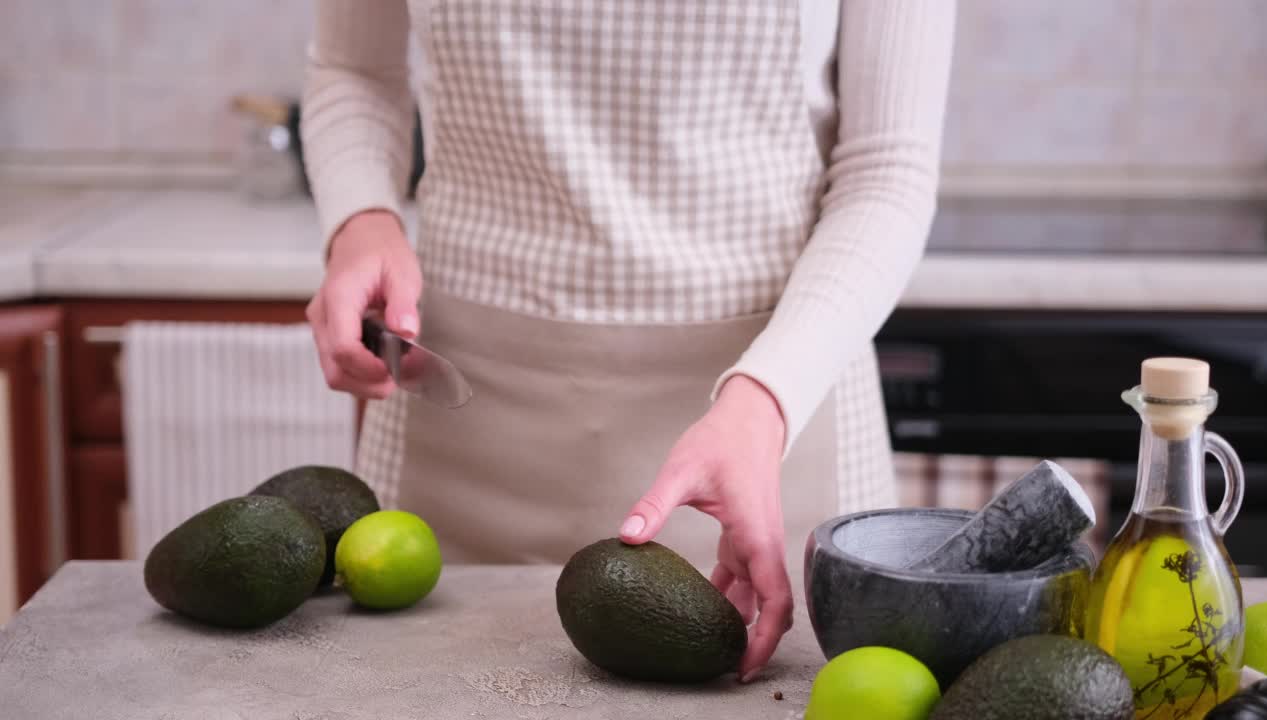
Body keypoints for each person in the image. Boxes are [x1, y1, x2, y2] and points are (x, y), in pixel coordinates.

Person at [302, 0, 955, 681]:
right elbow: (353, 71)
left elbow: (887, 167)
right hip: (463, 419)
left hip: (771, 427)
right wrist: (361, 221)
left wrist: (766, 400)